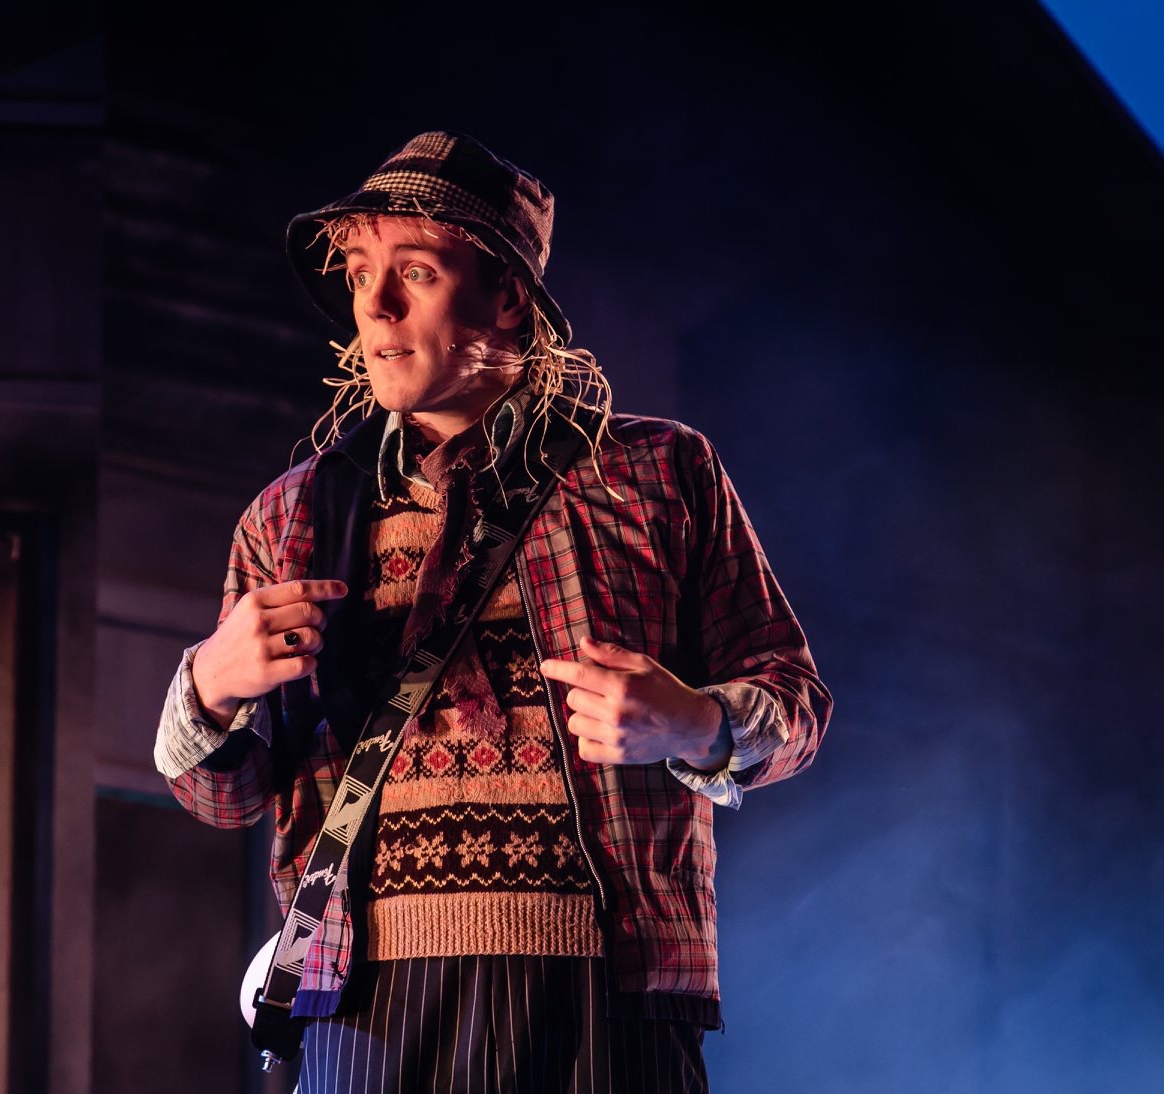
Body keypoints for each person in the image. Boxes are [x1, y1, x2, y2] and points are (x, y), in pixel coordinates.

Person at [154, 131, 831, 1093]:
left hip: (607, 994)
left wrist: (695, 721)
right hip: (365, 999)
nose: (373, 305)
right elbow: (222, 799)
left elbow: (795, 704)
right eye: (358, 273)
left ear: (508, 294)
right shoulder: (290, 516)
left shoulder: (657, 473)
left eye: (414, 271)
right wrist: (209, 687)